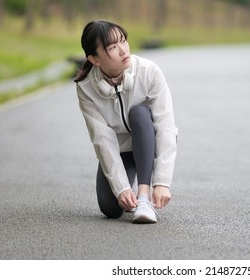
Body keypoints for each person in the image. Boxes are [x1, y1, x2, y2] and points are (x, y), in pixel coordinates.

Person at [74, 20, 178, 223]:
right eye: (113, 47)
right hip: (124, 150)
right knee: (111, 208)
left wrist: (162, 182)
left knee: (139, 113)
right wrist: (120, 187)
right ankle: (132, 188)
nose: (123, 50)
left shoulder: (149, 71)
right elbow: (102, 139)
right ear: (95, 59)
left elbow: (166, 126)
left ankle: (144, 197)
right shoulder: (86, 88)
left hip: (150, 141)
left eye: (123, 41)